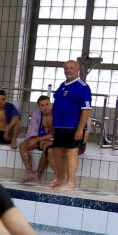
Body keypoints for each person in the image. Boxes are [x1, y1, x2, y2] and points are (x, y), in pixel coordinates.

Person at [45, 59, 91, 192]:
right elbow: (57, 106)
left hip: (73, 127)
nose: (68, 70)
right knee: (58, 152)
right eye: (66, 68)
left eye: (71, 68)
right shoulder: (62, 85)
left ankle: (70, 183)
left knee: (71, 153)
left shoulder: (82, 87)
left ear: (77, 70)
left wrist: (80, 128)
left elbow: (86, 109)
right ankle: (60, 179)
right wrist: (54, 124)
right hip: (60, 126)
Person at [18, 95, 54, 183]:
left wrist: (39, 140)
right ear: (39, 106)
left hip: (51, 140)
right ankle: (30, 172)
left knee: (47, 147)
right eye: (42, 105)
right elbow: (33, 131)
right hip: (39, 138)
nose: (45, 107)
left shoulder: (56, 115)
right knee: (22, 145)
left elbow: (54, 134)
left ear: (50, 104)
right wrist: (37, 140)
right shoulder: (37, 115)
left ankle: (38, 174)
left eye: (47, 104)